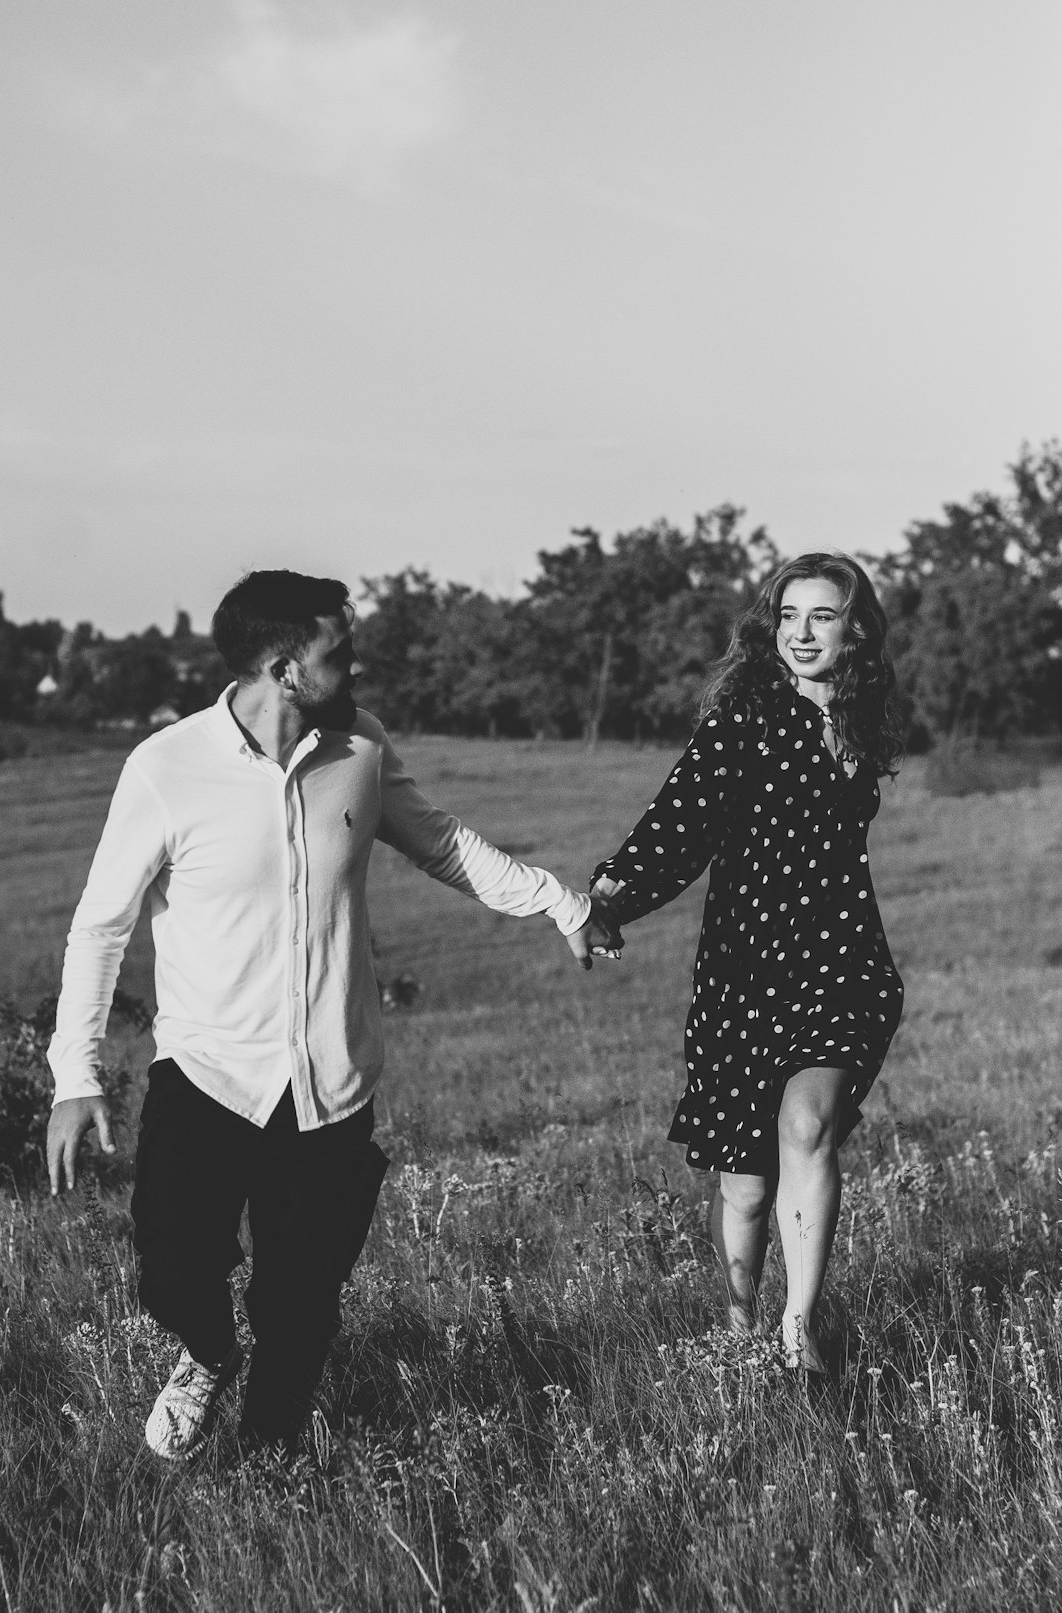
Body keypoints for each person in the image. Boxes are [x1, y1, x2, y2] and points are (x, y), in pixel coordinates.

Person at [47, 569, 622, 1459]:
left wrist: (561, 902)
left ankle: (273, 1458)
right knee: (173, 1272)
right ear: (284, 667)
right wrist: (74, 1077)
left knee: (303, 1299)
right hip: (206, 1074)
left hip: (330, 1082)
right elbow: (99, 926)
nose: (354, 664)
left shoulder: (360, 747)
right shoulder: (165, 769)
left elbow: (443, 843)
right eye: (338, 651)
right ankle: (204, 1355)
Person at [591, 553, 904, 1374]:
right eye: (789, 616)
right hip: (746, 971)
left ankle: (799, 1333)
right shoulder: (743, 719)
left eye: (823, 616)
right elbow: (681, 821)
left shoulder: (865, 719)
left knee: (807, 1126)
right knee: (747, 1186)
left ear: (856, 627)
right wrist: (612, 895)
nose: (802, 633)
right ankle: (739, 1329)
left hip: (843, 960)